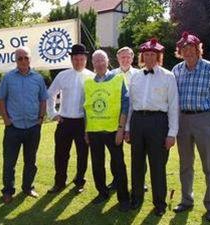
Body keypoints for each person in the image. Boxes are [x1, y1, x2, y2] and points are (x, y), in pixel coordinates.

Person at [172, 32, 210, 223]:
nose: (187, 51)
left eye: (190, 47)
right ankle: (187, 200)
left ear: (197, 48)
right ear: (180, 52)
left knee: (209, 166)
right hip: (183, 121)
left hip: (205, 120)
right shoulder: (177, 70)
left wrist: (207, 116)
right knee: (185, 165)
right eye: (183, 49)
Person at [125, 38, 179, 216]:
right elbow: (131, 104)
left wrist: (172, 134)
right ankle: (137, 198)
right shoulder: (135, 76)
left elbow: (173, 106)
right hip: (138, 122)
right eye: (146, 54)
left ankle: (159, 203)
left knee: (157, 165)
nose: (148, 58)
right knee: (137, 163)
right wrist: (127, 129)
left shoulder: (168, 76)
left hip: (158, 123)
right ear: (142, 56)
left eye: (152, 55)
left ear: (158, 56)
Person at [0, 48, 48, 204]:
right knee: (9, 162)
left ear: (30, 59)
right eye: (20, 58)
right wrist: (6, 120)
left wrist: (40, 119)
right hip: (13, 128)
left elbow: (43, 99)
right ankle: (8, 191)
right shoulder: (8, 78)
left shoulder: (38, 78)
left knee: (31, 161)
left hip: (33, 127)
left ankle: (27, 187)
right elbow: (0, 99)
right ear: (16, 60)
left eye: (26, 58)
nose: (23, 61)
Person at [84, 49, 130, 212]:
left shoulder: (118, 79)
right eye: (96, 61)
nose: (99, 63)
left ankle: (124, 199)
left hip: (113, 131)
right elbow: (87, 108)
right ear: (93, 64)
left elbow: (125, 105)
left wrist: (121, 129)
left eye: (102, 60)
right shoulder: (89, 83)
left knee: (118, 165)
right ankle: (102, 193)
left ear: (107, 61)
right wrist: (86, 130)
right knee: (97, 165)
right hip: (94, 131)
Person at [47, 44, 94, 194]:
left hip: (82, 122)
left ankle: (79, 181)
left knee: (82, 154)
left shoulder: (92, 77)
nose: (78, 62)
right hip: (64, 121)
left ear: (86, 60)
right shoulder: (62, 75)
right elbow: (50, 94)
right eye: (75, 59)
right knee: (61, 154)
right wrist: (53, 113)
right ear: (71, 59)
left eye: (81, 59)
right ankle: (59, 182)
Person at [110, 46, 149, 192]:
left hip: (136, 119)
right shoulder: (111, 74)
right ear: (118, 59)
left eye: (128, 57)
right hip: (116, 120)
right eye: (122, 57)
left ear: (132, 58)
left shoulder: (140, 74)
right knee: (115, 153)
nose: (125, 60)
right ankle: (116, 180)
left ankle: (141, 181)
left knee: (139, 153)